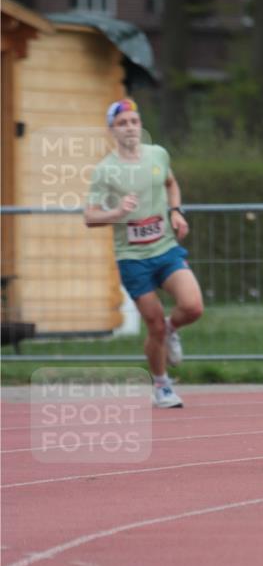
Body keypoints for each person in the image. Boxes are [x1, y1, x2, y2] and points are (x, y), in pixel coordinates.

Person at [84, 98, 204, 408]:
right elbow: (90, 216)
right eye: (122, 123)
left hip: (165, 248)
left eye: (134, 122)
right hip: (132, 257)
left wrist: (176, 212)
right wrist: (116, 212)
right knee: (152, 324)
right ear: (112, 130)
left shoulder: (157, 154)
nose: (130, 128)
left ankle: (172, 328)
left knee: (192, 306)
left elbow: (171, 183)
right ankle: (162, 385)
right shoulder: (105, 171)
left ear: (141, 126)